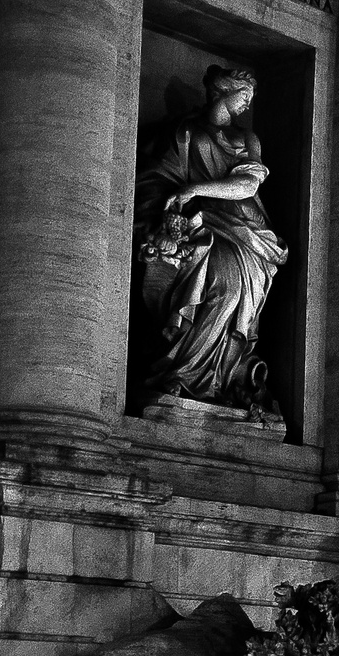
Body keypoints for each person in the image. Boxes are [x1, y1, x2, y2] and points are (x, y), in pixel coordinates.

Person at [135, 66, 288, 417]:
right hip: (202, 226)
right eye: (244, 96)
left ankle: (215, 380)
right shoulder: (185, 132)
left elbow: (248, 186)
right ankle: (185, 374)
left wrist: (194, 189)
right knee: (221, 287)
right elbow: (157, 176)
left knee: (236, 298)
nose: (247, 106)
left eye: (251, 100)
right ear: (223, 90)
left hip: (247, 229)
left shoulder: (247, 139)